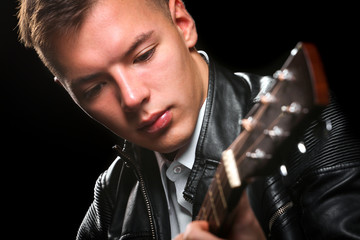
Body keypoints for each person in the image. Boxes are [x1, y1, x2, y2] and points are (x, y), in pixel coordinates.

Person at [16, 0, 360, 239]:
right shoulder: (112, 196)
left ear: (182, 24)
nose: (133, 98)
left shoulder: (316, 137)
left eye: (144, 55)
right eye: (94, 88)